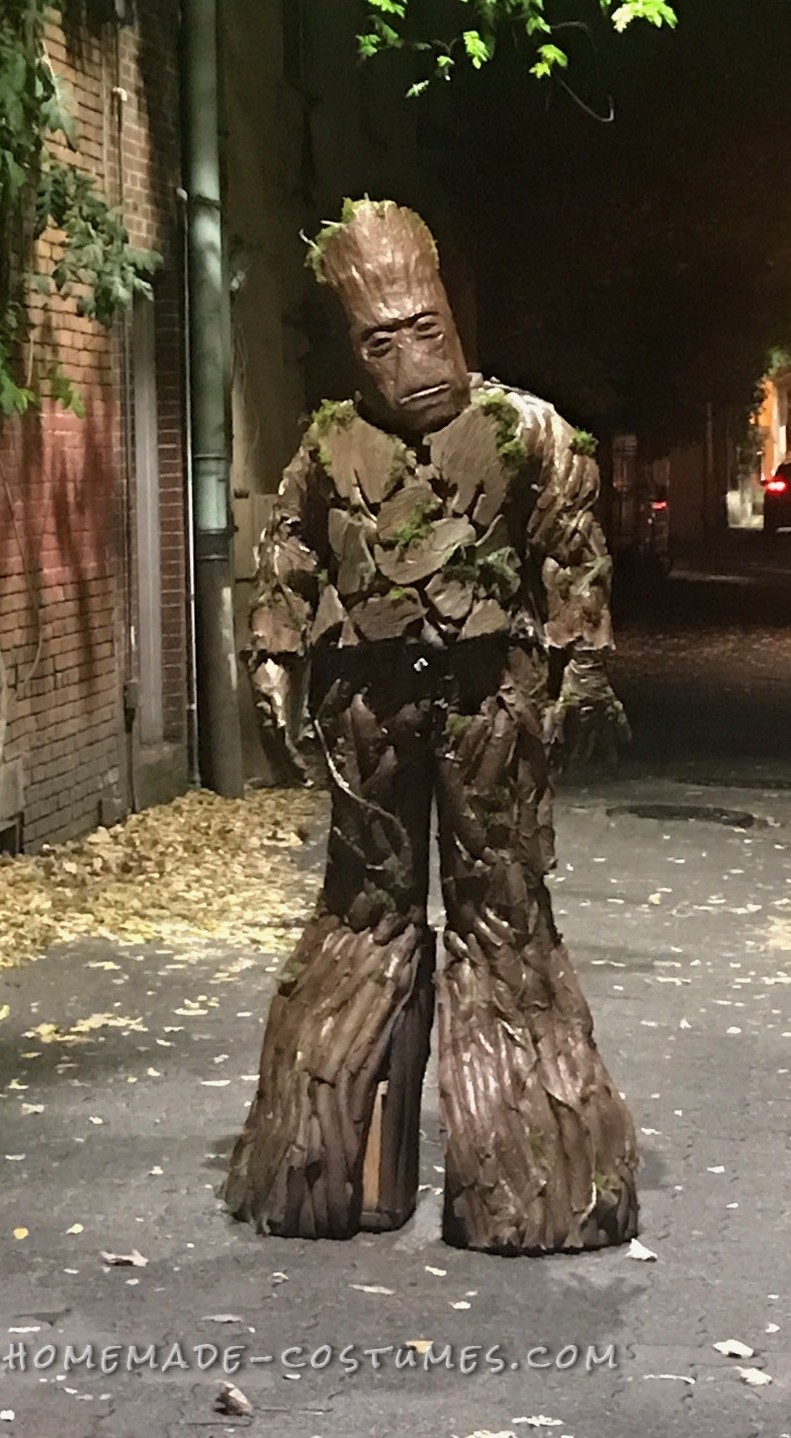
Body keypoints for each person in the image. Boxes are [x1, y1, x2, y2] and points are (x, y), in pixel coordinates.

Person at [224, 199, 638, 1255]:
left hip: (488, 705)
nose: (410, 353)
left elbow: (572, 554)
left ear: (451, 315)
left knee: (502, 909)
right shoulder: (328, 449)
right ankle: (336, 1160)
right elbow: (287, 556)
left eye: (425, 326)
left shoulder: (526, 432)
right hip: (367, 713)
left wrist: (579, 668)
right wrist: (272, 658)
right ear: (354, 351)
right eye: (381, 338)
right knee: (365, 909)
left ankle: (529, 1165)